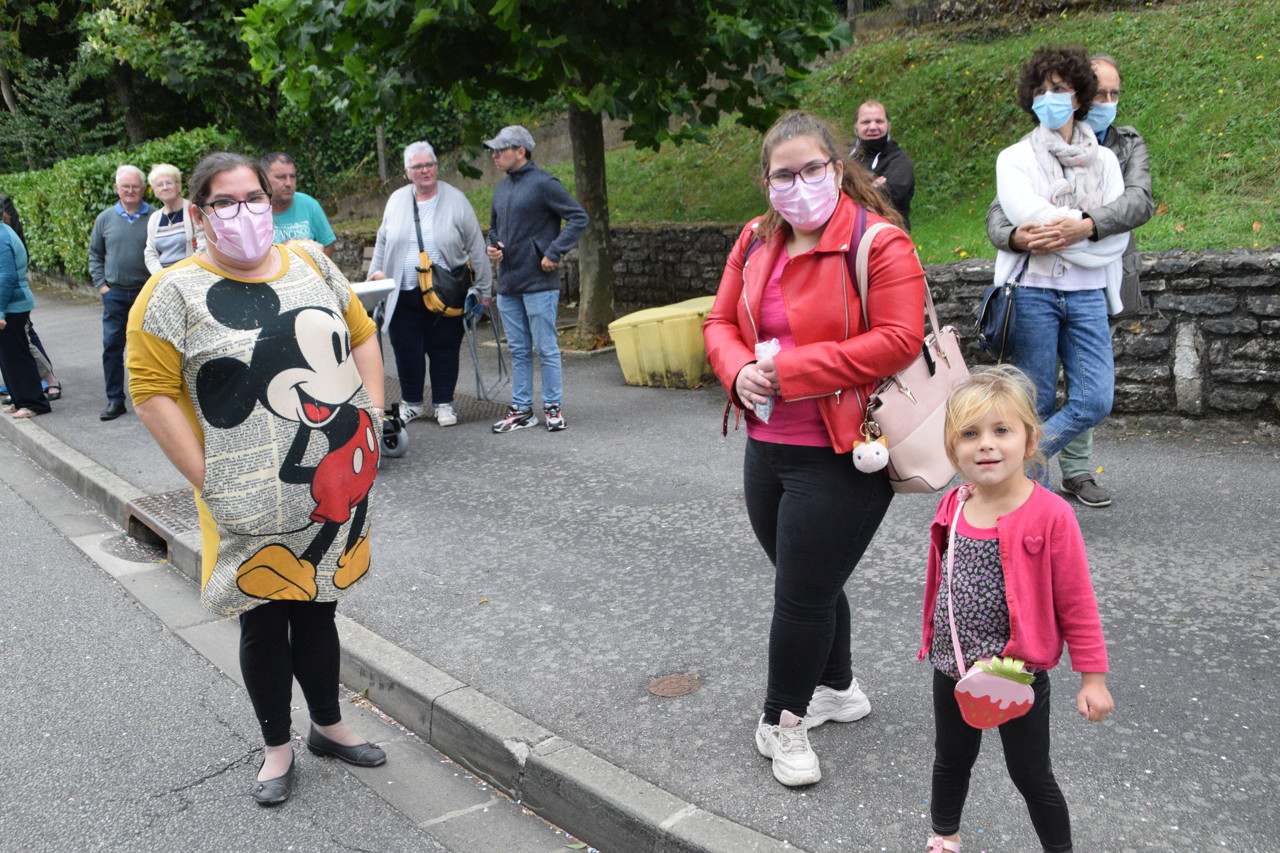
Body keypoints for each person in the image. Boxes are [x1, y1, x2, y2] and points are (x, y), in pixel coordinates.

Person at [126, 152, 387, 806]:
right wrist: (208, 478)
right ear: (198, 214)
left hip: (331, 489)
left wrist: (374, 416)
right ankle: (277, 747)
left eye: (254, 198)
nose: (243, 213)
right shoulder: (172, 293)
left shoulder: (312, 263)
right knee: (263, 620)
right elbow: (150, 392)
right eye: (225, 202)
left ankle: (328, 725)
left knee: (320, 608)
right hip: (242, 499)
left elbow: (361, 334)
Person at [703, 111, 926, 787]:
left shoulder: (879, 242)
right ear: (765, 180)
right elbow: (719, 321)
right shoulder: (755, 238)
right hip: (766, 444)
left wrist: (792, 370)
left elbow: (900, 339)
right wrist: (737, 369)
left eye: (812, 169)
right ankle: (838, 687)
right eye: (783, 174)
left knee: (800, 596)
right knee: (810, 580)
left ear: (837, 166)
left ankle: (783, 721)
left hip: (844, 451)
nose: (798, 184)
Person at [920, 365, 1112, 853]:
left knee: (1030, 773)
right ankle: (944, 835)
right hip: (953, 666)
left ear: (1030, 441)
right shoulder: (953, 505)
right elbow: (943, 582)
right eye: (970, 434)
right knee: (950, 761)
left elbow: (1077, 602)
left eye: (1001, 430)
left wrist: (1093, 679)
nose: (986, 444)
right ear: (952, 448)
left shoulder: (1052, 514)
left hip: (1017, 674)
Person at [986, 54, 1153, 509]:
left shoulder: (1108, 160)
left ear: (1079, 97)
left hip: (1087, 295)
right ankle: (1029, 506)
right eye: (1041, 91)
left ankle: (1015, 467)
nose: (1049, 99)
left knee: (1094, 400)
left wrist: (1078, 230)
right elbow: (1020, 214)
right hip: (1033, 293)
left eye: (1059, 90)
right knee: (1035, 403)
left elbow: (1116, 233)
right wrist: (1080, 229)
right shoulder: (1014, 158)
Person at [368, 141, 490, 426]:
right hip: (402, 290)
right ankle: (412, 403)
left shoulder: (456, 199)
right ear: (407, 172)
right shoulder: (396, 200)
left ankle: (444, 404)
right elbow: (382, 241)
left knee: (444, 348)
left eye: (430, 165)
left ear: (436, 166)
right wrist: (373, 281)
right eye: (418, 166)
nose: (425, 171)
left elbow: (476, 246)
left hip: (445, 290)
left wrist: (484, 290)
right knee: (406, 350)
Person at [484, 125, 587, 433]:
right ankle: (522, 410)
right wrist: (494, 246)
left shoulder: (545, 184)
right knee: (518, 350)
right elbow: (493, 229)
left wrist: (554, 251)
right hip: (508, 283)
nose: (494, 155)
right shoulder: (501, 189)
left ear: (521, 151)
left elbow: (578, 217)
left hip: (540, 282)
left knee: (545, 348)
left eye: (500, 150)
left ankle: (553, 407)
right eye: (493, 151)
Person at [89, 164, 153, 420]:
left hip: (146, 295)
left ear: (143, 188)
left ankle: (153, 400)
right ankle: (115, 400)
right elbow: (95, 254)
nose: (130, 191)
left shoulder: (155, 216)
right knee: (112, 348)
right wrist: (102, 287)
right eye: (125, 186)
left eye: (135, 186)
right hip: (114, 294)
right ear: (116, 188)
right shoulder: (105, 218)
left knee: (150, 348)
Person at [0, 195, 60, 401]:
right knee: (15, 349)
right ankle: (20, 394)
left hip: (12, 300)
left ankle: (40, 388)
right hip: (10, 299)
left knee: (22, 345)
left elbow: (8, 273)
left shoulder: (3, 231)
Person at [0, 218, 50, 418]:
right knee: (8, 357)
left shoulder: (1, 235)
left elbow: (7, 276)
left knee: (17, 356)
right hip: (10, 305)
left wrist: (0, 311)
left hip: (12, 306)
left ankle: (34, 403)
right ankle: (20, 399)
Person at [851, 100, 915, 231]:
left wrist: (849, 189)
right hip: (848, 232)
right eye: (866, 122)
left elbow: (885, 199)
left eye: (879, 121)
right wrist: (871, 189)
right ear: (855, 128)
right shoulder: (843, 155)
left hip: (888, 233)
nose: (873, 127)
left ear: (888, 126)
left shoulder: (900, 162)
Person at [263, 152, 337, 257]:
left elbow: (328, 243)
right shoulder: (255, 210)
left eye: (292, 176)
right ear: (264, 180)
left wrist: (317, 265)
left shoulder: (309, 205)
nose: (288, 183)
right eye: (281, 177)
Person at [144, 163, 204, 273]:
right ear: (154, 191)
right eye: (159, 185)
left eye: (169, 183)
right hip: (163, 278)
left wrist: (184, 274)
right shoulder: (154, 218)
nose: (165, 187)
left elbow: (203, 244)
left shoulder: (193, 210)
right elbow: (150, 252)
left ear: (179, 185)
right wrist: (161, 275)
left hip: (191, 274)